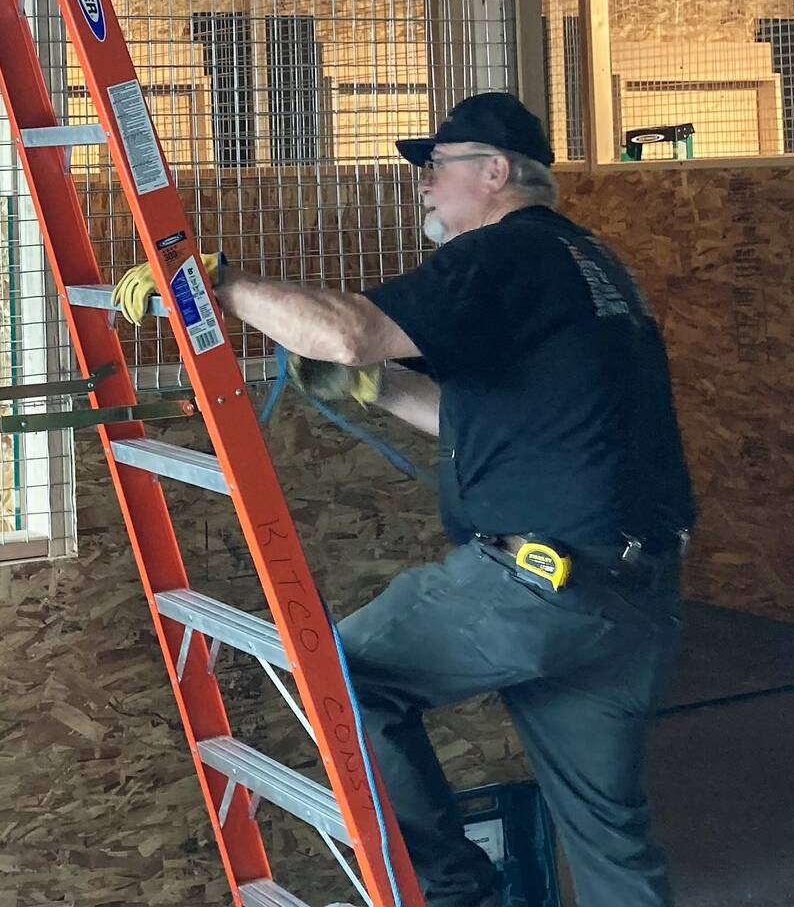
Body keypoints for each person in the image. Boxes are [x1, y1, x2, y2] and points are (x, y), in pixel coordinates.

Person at [130, 92, 694, 907]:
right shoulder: (587, 262)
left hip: (539, 588)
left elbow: (349, 329)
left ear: (494, 173)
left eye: (436, 169)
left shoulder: (503, 254)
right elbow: (490, 418)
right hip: (627, 596)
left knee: (340, 674)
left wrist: (213, 283)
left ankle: (452, 890)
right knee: (609, 836)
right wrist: (377, 387)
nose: (424, 187)